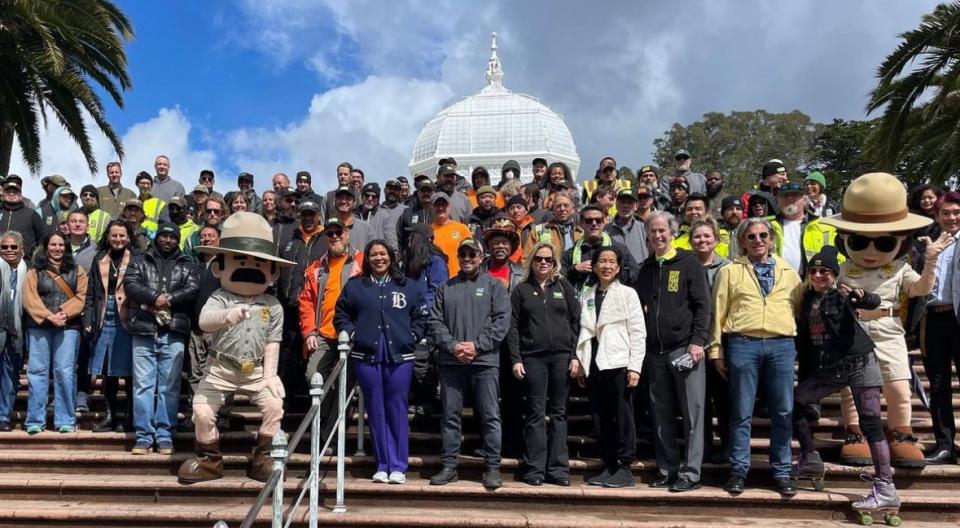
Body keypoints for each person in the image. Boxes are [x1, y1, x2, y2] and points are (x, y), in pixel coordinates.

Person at [819, 173, 953, 469]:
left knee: (898, 387)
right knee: (852, 390)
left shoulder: (900, 268)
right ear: (845, 240)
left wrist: (930, 261)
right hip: (852, 333)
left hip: (889, 331)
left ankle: (901, 433)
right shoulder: (842, 268)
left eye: (883, 243)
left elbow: (921, 290)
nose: (870, 251)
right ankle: (855, 433)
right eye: (859, 241)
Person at [178, 212, 291, 484]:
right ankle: (209, 460)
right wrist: (226, 316)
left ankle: (263, 459)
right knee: (202, 411)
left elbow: (273, 340)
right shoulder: (220, 297)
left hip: (255, 371)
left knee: (275, 406)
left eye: (260, 263)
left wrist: (270, 374)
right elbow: (204, 322)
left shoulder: (273, 305)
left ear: (273, 272)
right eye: (240, 260)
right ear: (219, 267)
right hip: (220, 369)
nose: (249, 267)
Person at [790, 246, 900, 511]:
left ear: (834, 274)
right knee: (793, 403)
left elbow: (870, 301)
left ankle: (885, 487)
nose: (818, 275)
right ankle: (810, 457)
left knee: (871, 424)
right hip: (830, 369)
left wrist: (860, 294)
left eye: (824, 271)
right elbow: (806, 344)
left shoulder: (842, 293)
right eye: (813, 270)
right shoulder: (806, 300)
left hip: (860, 363)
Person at [710, 217, 803, 496]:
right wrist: (716, 349)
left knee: (783, 410)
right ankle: (739, 469)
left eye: (763, 235)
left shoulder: (789, 271)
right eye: (751, 237)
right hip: (743, 343)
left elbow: (798, 308)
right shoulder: (730, 272)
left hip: (781, 345)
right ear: (742, 242)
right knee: (741, 411)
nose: (758, 240)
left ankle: (782, 471)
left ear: (771, 240)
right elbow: (718, 312)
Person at [334, 240, 428, 484]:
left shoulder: (407, 285)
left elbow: (421, 316)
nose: (379, 258)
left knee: (396, 408)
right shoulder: (356, 286)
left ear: (391, 257)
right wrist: (353, 333)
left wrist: (413, 336)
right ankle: (382, 464)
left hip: (400, 356)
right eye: (373, 254)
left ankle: (398, 465)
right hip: (366, 357)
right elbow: (341, 314)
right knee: (374, 409)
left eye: (383, 254)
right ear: (367, 259)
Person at [634, 212, 711, 492]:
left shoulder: (689, 262)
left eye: (662, 231)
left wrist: (697, 341)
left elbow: (703, 305)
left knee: (693, 413)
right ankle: (667, 469)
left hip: (685, 349)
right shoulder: (646, 269)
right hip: (655, 353)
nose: (657, 236)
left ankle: (691, 473)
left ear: (672, 232)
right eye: (652, 231)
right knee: (661, 414)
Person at [428, 238, 511, 491]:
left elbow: (502, 322)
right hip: (451, 362)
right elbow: (434, 322)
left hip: (485, 361)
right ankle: (450, 465)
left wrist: (477, 346)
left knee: (489, 416)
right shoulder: (446, 287)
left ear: (481, 256)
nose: (467, 258)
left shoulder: (495, 286)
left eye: (471, 254)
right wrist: (453, 346)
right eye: (462, 254)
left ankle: (493, 467)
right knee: (450, 416)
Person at [572, 246, 646, 488]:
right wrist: (582, 364)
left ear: (618, 267)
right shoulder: (587, 295)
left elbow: (638, 332)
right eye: (601, 261)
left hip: (619, 362)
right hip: (594, 363)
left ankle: (625, 466)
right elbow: (584, 330)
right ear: (593, 266)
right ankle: (610, 464)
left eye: (611, 262)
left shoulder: (628, 294)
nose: (606, 266)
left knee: (622, 416)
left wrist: (635, 367)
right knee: (601, 417)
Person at [123, 223, 200, 454]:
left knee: (170, 387)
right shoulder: (140, 259)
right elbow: (131, 284)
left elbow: (193, 288)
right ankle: (144, 437)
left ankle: (165, 435)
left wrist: (169, 299)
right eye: (164, 236)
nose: (168, 240)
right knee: (142, 386)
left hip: (174, 331)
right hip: (144, 328)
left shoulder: (188, 263)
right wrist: (154, 296)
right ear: (158, 238)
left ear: (177, 240)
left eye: (172, 237)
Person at [508, 242, 579, 486]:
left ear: (555, 262)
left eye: (549, 259)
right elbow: (513, 327)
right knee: (535, 413)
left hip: (561, 357)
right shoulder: (521, 290)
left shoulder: (564, 287)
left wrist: (575, 355)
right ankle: (535, 469)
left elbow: (576, 322)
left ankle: (559, 470)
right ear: (532, 261)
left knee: (559, 413)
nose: (544, 263)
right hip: (533, 358)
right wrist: (516, 358)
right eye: (539, 259)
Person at [298, 217, 364, 441]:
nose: (335, 237)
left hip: (353, 335)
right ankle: (326, 418)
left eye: (339, 232)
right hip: (324, 333)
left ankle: (330, 436)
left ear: (347, 234)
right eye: (330, 234)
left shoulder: (361, 262)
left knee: (344, 383)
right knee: (312, 376)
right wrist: (309, 332)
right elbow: (306, 302)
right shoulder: (316, 267)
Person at [22, 232, 88, 433]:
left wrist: (63, 313)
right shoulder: (35, 271)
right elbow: (29, 298)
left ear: (66, 247)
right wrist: (48, 316)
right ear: (45, 246)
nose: (57, 248)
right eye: (53, 244)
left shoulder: (78, 270)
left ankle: (65, 419)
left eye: (61, 244)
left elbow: (82, 296)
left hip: (68, 326)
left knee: (65, 372)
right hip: (39, 326)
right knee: (37, 371)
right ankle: (35, 419)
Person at [913, 192, 960, 465]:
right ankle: (945, 445)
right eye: (946, 213)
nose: (951, 218)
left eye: (956, 212)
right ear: (937, 215)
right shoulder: (926, 243)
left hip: (958, 317)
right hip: (931, 319)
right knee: (939, 385)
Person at [82, 220, 135, 433]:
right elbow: (92, 293)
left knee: (130, 371)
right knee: (107, 370)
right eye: (114, 235)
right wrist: (87, 320)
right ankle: (110, 416)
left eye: (122, 235)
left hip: (128, 316)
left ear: (129, 237)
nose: (118, 239)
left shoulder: (137, 259)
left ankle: (130, 417)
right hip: (103, 315)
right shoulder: (99, 258)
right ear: (108, 236)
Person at [688, 219, 731, 463]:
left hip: (721, 340)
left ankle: (727, 446)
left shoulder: (727, 267)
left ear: (715, 239)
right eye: (697, 237)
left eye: (706, 236)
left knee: (724, 399)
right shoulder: (686, 265)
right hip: (694, 341)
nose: (702, 241)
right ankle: (702, 448)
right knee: (698, 401)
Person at [402, 223, 448, 415]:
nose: (408, 241)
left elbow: (437, 291)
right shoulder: (409, 264)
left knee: (424, 363)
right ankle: (418, 398)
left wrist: (419, 310)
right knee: (415, 362)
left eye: (412, 237)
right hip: (410, 320)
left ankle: (429, 401)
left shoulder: (435, 262)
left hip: (428, 320)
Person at [770, 182, 839, 275]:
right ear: (778, 200)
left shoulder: (824, 225)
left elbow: (838, 256)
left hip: (815, 282)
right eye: (785, 196)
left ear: (804, 199)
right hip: (778, 282)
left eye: (795, 195)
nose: (790, 198)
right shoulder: (767, 226)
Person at [0, 232, 26, 432]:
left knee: (10, 374)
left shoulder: (30, 271)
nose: (9, 251)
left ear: (22, 250)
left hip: (17, 331)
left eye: (13, 247)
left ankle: (3, 415)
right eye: (5, 247)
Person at [524, 192, 582, 266]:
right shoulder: (539, 231)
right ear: (553, 209)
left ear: (573, 209)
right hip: (547, 276)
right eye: (558, 206)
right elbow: (526, 259)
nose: (562, 209)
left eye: (566, 205)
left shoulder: (581, 233)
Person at [429, 193, 472, 277]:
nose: (441, 208)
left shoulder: (462, 229)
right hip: (436, 279)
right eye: (437, 205)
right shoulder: (428, 231)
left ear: (449, 207)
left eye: (444, 205)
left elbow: (471, 255)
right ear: (431, 207)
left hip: (460, 278)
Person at [605, 189, 649, 264]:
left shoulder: (645, 228)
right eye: (622, 202)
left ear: (636, 206)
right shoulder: (605, 230)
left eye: (629, 202)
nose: (625, 206)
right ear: (616, 205)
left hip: (640, 273)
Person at [369, 179, 407, 253]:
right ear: (385, 190)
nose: (392, 191)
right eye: (390, 188)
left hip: (401, 257)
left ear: (400, 192)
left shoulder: (406, 210)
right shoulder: (374, 212)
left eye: (396, 189)